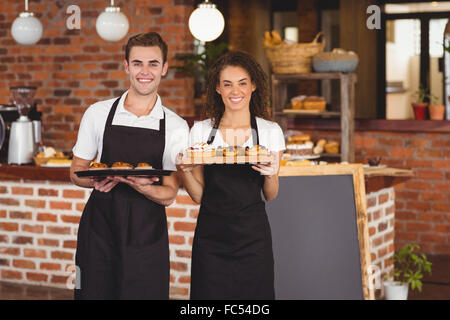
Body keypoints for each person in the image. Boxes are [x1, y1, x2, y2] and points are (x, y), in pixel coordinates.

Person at [70, 32, 189, 300]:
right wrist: (94, 180)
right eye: (137, 63)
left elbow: (170, 192)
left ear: (164, 68)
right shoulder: (97, 113)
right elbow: (76, 171)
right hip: (99, 228)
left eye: (153, 64)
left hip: (147, 233)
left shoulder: (176, 126)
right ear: (126, 66)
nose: (144, 71)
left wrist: (144, 189)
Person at [177, 51, 285, 299]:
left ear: (254, 85)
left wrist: (270, 175)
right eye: (227, 84)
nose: (235, 91)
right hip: (211, 237)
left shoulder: (270, 132)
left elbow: (271, 195)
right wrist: (185, 172)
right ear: (217, 88)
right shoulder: (202, 132)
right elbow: (199, 196)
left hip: (253, 237)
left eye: (242, 83)